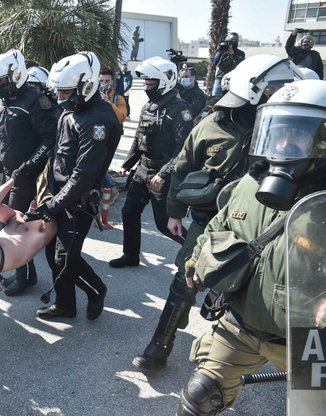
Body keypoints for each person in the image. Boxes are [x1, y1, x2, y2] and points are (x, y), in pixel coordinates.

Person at [132, 55, 301, 371]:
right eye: (273, 90)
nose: (279, 96)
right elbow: (183, 167)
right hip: (208, 220)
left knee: (259, 292)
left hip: (263, 223)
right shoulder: (210, 125)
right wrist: (173, 213)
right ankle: (160, 345)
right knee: (185, 278)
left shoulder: (285, 128)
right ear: (253, 93)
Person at [176, 79, 326, 415]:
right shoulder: (248, 184)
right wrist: (195, 264)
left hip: (311, 339)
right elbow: (215, 229)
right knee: (199, 394)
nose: (284, 143)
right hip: (243, 322)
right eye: (279, 131)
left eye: (298, 133)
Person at [33, 51, 121, 321]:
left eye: (66, 91)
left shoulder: (98, 121)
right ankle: (65, 304)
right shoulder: (73, 108)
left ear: (86, 86)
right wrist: (44, 194)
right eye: (58, 91)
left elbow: (84, 174)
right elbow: (59, 154)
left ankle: (97, 290)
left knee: (64, 258)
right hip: (59, 194)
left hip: (78, 199)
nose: (59, 97)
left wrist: (55, 203)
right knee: (53, 254)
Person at [0, 49, 58, 296]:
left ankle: (23, 277)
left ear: (16, 75)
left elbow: (49, 140)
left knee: (20, 227)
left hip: (31, 176)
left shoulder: (35, 101)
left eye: (2, 81)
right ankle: (28, 275)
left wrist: (26, 169)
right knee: (15, 224)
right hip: (10, 173)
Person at [109, 56, 193, 269]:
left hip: (163, 174)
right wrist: (126, 165)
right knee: (129, 212)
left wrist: (164, 174)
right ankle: (130, 255)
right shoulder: (148, 105)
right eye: (145, 83)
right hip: (143, 169)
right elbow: (138, 139)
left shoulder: (180, 109)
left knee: (165, 225)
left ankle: (199, 253)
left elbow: (183, 148)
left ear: (164, 81)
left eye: (150, 83)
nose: (146, 87)